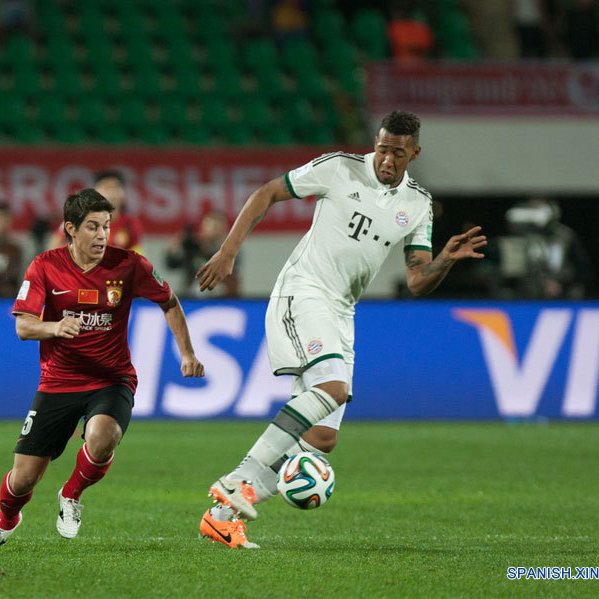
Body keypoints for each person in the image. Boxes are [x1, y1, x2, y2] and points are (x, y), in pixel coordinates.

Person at [194, 110, 487, 548]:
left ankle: (222, 516)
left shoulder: (417, 205)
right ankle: (240, 478)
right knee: (332, 386)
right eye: (383, 148)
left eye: (398, 153)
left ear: (415, 154)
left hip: (342, 312)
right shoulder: (339, 167)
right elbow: (268, 193)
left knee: (321, 438)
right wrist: (228, 251)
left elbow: (417, 279)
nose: (387, 160)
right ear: (376, 142)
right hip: (302, 291)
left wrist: (446, 259)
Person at [0, 188, 204, 547]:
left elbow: (170, 301)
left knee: (103, 436)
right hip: (58, 382)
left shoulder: (129, 265)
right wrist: (54, 327)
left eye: (106, 226)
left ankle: (71, 495)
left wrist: (187, 353)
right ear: (70, 228)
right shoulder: (45, 266)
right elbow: (23, 326)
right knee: (22, 480)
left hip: (112, 379)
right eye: (93, 227)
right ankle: (6, 520)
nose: (102, 235)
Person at [48, 170, 143, 253]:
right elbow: (56, 241)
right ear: (97, 191)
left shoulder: (131, 223)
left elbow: (135, 253)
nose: (111, 193)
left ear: (122, 192)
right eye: (106, 188)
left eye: (115, 188)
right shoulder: (79, 216)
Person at [165, 210, 240, 298]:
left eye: (217, 227)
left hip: (222, 296)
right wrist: (172, 251)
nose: (214, 231)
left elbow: (233, 272)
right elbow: (173, 265)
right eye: (212, 226)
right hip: (192, 296)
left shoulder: (231, 249)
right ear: (203, 227)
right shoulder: (193, 248)